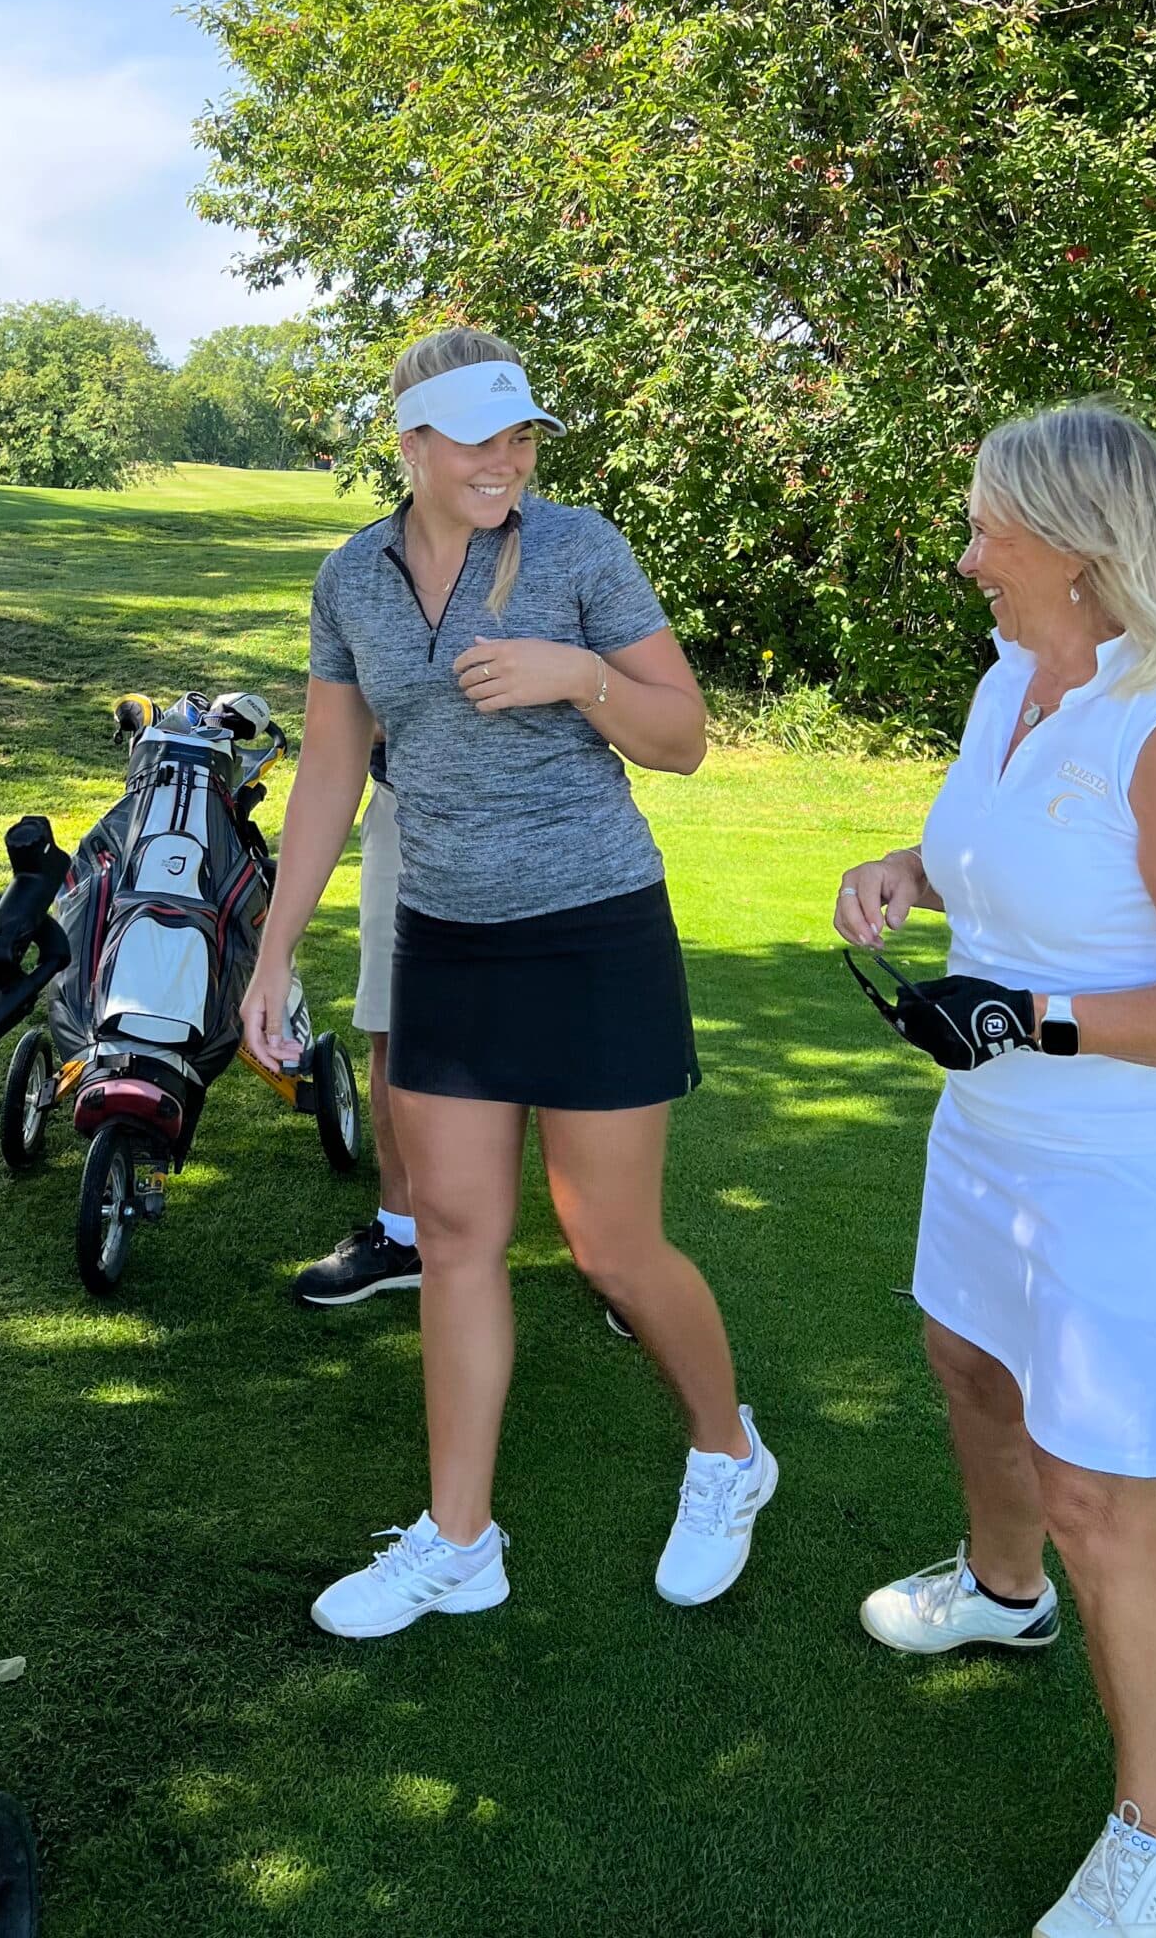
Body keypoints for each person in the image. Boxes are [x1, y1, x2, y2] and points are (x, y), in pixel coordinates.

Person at [834, 401, 1156, 1938]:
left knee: (1107, 1508)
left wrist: (1036, 1014)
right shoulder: (1011, 681)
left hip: (1134, 1174)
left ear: (1080, 548)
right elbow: (1000, 854)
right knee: (967, 1362)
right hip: (995, 1134)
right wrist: (908, 870)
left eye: (989, 527)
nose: (969, 555)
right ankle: (1001, 1592)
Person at [242, 324, 774, 1638]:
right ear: (412, 442)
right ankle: (460, 1540)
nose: (505, 459)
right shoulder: (350, 580)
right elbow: (328, 772)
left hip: (595, 932)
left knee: (612, 1246)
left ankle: (728, 1452)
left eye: (521, 434)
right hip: (446, 941)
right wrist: (273, 949)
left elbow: (684, 738)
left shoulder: (580, 551)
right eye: (477, 437)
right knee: (458, 1236)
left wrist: (580, 676)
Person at [293, 728, 423, 1304]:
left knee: (547, 1031)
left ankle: (617, 1257)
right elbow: (344, 723)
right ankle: (403, 1236)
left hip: (537, 812)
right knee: (393, 1026)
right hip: (405, 807)